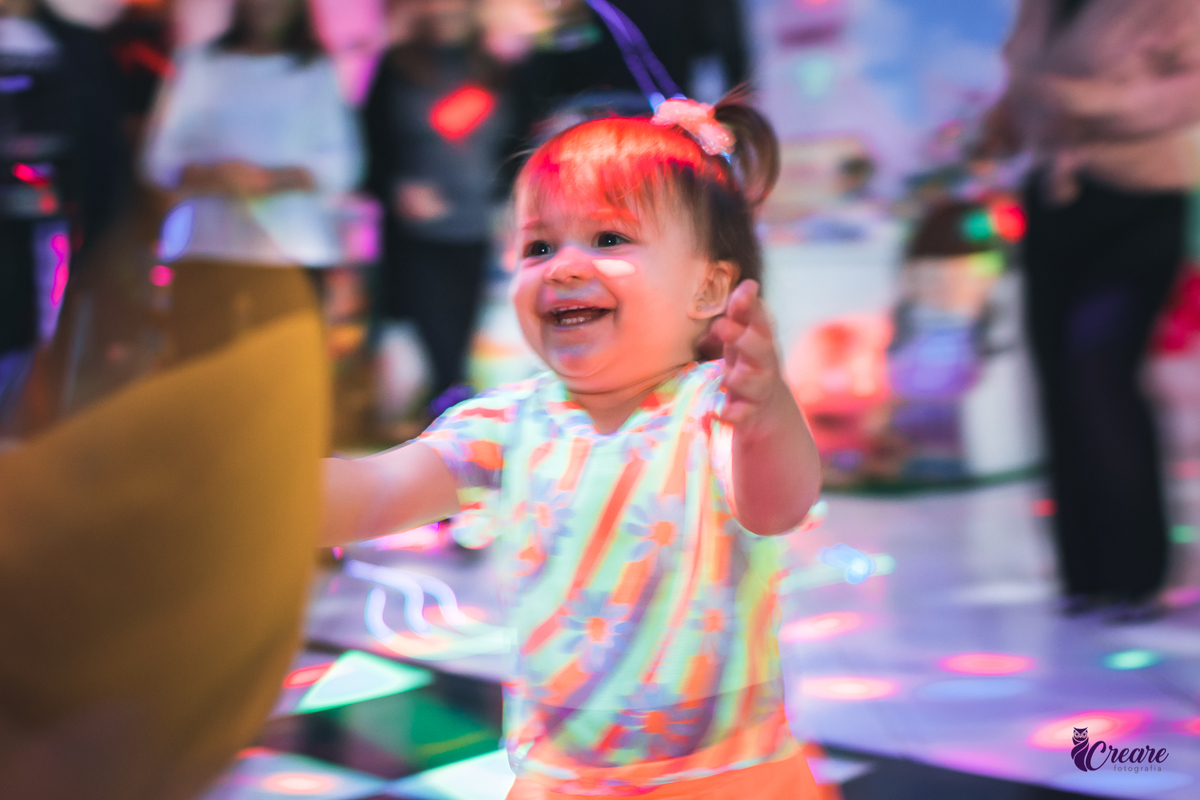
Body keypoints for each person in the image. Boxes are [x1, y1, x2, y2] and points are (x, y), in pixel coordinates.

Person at [323, 95, 822, 798]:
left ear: (709, 285)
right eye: (538, 245)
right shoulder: (506, 423)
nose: (562, 267)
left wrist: (766, 413)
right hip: (561, 781)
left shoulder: (712, 409)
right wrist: (258, 485)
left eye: (609, 239)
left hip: (725, 777)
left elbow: (780, 503)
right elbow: (375, 492)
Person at [977, 0, 1200, 621]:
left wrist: (1087, 101)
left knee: (1098, 371)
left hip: (1140, 200)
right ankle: (1085, 574)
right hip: (1053, 200)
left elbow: (1188, 93)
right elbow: (1025, 89)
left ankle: (1135, 575)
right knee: (1055, 382)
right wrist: (1007, 120)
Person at [142, 0, 361, 290]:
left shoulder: (317, 71)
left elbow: (343, 167)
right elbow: (158, 160)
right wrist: (215, 176)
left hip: (294, 254)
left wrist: (269, 180)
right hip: (207, 251)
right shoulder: (200, 64)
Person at [362, 0, 512, 416]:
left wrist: (506, 199)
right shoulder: (395, 69)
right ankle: (452, 414)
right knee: (438, 339)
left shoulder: (493, 69)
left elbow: (514, 143)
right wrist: (395, 188)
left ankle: (449, 415)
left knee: (461, 334)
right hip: (417, 230)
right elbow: (369, 143)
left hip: (476, 224)